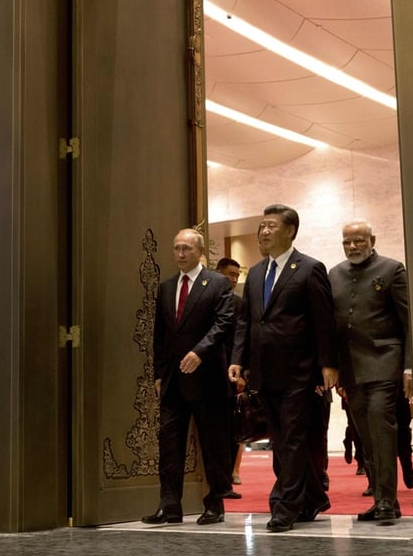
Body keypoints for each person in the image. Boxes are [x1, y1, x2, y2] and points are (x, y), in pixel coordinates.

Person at [228, 204, 338, 533]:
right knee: (282, 439)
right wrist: (238, 359)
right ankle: (312, 499)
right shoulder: (257, 272)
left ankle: (284, 505)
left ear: (290, 231)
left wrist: (328, 363)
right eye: (261, 226)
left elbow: (323, 320)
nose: (263, 231)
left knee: (291, 440)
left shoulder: (309, 268)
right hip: (264, 372)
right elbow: (246, 320)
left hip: (299, 371)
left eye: (271, 226)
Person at [141, 229, 236, 526]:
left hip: (207, 378)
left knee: (213, 444)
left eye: (186, 249)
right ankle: (169, 506)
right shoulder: (167, 287)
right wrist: (158, 373)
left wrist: (200, 352)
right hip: (172, 382)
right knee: (169, 445)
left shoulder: (217, 283)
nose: (180, 254)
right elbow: (160, 335)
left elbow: (223, 323)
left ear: (198, 252)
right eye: (176, 248)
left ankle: (214, 504)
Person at [328, 220, 413, 524]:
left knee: (381, 430)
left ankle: (387, 501)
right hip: (351, 370)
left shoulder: (392, 270)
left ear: (372, 239)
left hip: (384, 363)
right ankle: (381, 499)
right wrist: (332, 367)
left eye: (359, 241)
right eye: (347, 242)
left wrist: (409, 365)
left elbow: (408, 322)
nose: (352, 247)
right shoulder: (334, 274)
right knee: (365, 436)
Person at [214, 256, 245, 493]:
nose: (234, 279)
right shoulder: (207, 299)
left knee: (233, 430)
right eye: (229, 274)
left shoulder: (239, 303)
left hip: (233, 375)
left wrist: (243, 371)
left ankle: (227, 480)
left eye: (236, 275)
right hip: (209, 372)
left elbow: (242, 341)